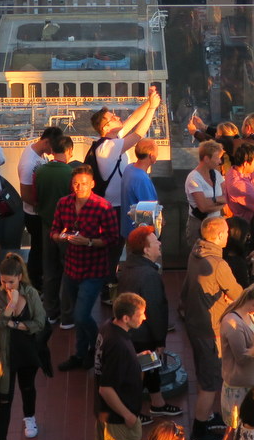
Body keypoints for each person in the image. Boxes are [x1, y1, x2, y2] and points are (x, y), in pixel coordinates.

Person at [50, 165, 121, 371]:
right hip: (71, 267)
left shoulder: (103, 206)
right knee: (77, 316)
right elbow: (54, 230)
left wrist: (88, 242)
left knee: (81, 315)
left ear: (92, 184)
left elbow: (112, 239)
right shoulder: (63, 203)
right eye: (75, 183)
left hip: (93, 270)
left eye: (83, 183)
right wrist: (60, 237)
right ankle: (82, 354)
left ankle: (100, 346)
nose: (79, 187)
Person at [180, 216, 241, 440]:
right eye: (226, 232)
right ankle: (198, 432)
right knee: (210, 382)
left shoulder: (195, 253)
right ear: (219, 235)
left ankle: (205, 417)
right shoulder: (218, 264)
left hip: (195, 324)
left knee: (204, 373)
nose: (228, 235)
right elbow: (238, 294)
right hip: (211, 329)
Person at [91, 293, 148, 440]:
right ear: (126, 318)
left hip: (103, 416)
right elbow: (106, 388)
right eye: (140, 314)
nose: (144, 318)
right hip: (118, 422)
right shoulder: (119, 346)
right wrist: (129, 416)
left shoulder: (107, 329)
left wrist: (136, 360)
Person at [116, 226, 182, 419]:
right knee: (142, 372)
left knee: (150, 368)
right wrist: (160, 340)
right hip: (144, 336)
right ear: (146, 250)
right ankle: (133, 411)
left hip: (133, 332)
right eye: (154, 241)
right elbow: (155, 309)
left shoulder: (129, 268)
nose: (159, 243)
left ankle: (157, 402)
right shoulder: (149, 276)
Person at [0, 253, 47, 440]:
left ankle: (29, 416)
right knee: (4, 398)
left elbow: (39, 322)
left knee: (27, 387)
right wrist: (10, 306)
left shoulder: (31, 294)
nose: (7, 286)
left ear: (20, 277)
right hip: (5, 354)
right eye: (3, 281)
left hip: (27, 351)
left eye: (11, 281)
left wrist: (14, 324)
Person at [89, 87, 160, 226]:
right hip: (113, 208)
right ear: (105, 128)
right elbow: (138, 135)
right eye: (113, 118)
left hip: (119, 204)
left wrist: (149, 101)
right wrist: (152, 108)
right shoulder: (107, 147)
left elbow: (134, 119)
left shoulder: (114, 139)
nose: (118, 117)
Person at [35, 132, 79, 324]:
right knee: (70, 270)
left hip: (47, 226)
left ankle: (51, 311)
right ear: (69, 151)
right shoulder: (71, 174)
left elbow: (35, 197)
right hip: (67, 228)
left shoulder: (40, 172)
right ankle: (68, 314)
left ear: (51, 150)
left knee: (50, 270)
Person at [220, 282, 254, 428]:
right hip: (239, 388)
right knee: (236, 429)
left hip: (250, 383)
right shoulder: (233, 323)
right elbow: (241, 358)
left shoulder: (248, 314)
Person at [17, 126, 56, 295]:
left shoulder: (38, 154)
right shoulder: (29, 163)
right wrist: (43, 208)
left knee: (39, 248)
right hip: (34, 214)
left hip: (38, 211)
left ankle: (36, 282)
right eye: (53, 147)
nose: (54, 151)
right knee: (38, 249)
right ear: (46, 142)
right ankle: (35, 284)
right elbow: (25, 194)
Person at [184, 140, 229, 248]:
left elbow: (228, 196)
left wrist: (213, 200)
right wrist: (220, 203)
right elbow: (203, 207)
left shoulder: (216, 174)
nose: (220, 161)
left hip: (216, 225)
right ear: (206, 159)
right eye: (217, 158)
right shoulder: (194, 178)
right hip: (199, 225)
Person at [121, 139, 159, 239]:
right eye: (157, 152)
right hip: (140, 236)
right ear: (151, 155)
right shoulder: (141, 179)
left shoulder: (129, 168)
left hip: (128, 229)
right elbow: (150, 212)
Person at [224, 216, 254, 289]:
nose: (248, 238)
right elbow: (246, 290)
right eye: (247, 235)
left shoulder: (220, 254)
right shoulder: (237, 262)